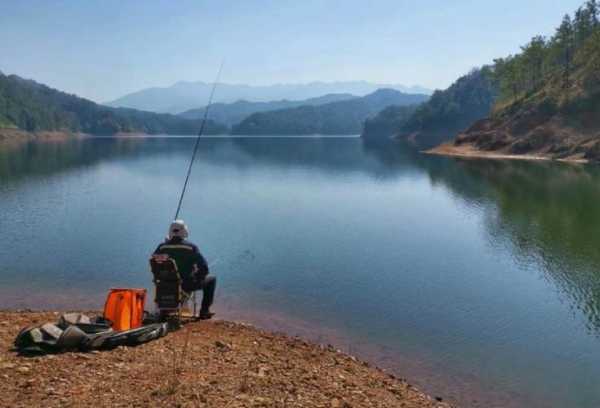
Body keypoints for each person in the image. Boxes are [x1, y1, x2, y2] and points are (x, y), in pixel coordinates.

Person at [153, 220, 216, 319]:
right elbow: (204, 268)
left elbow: (155, 261)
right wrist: (196, 276)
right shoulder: (191, 247)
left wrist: (166, 244)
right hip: (186, 284)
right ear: (184, 231)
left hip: (164, 285)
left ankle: (165, 309)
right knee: (212, 279)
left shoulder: (161, 247)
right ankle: (204, 311)